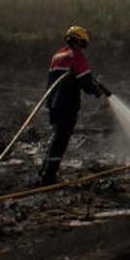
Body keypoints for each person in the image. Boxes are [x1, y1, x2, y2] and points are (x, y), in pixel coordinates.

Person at [39, 26, 110, 185]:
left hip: (53, 103)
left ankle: (45, 169)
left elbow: (76, 77)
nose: (82, 48)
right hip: (67, 104)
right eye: (83, 44)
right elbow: (85, 81)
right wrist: (96, 90)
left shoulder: (57, 55)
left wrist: (93, 83)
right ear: (78, 41)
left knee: (56, 136)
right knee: (61, 139)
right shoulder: (76, 56)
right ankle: (49, 177)